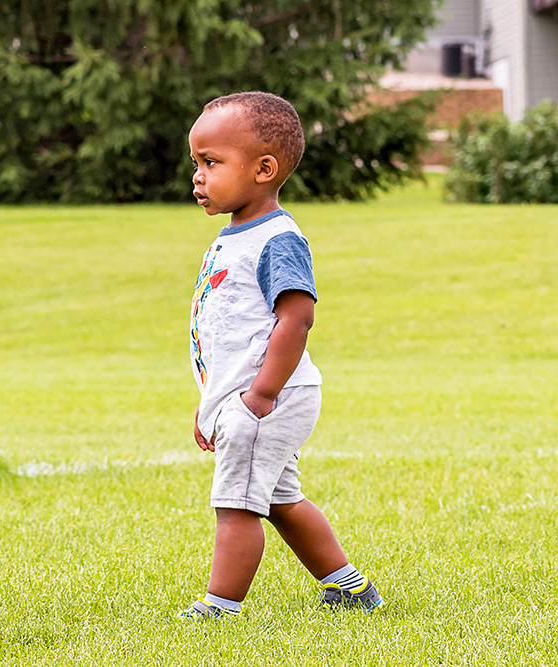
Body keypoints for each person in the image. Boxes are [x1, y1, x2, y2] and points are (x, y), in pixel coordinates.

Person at [180, 91, 382, 619]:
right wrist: (213, 405)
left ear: (264, 169)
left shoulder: (277, 238)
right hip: (246, 398)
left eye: (211, 162)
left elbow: (297, 318)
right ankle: (351, 588)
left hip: (271, 395)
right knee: (278, 500)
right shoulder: (232, 236)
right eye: (195, 162)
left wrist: (259, 395)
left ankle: (220, 607)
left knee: (235, 505)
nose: (197, 176)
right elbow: (230, 334)